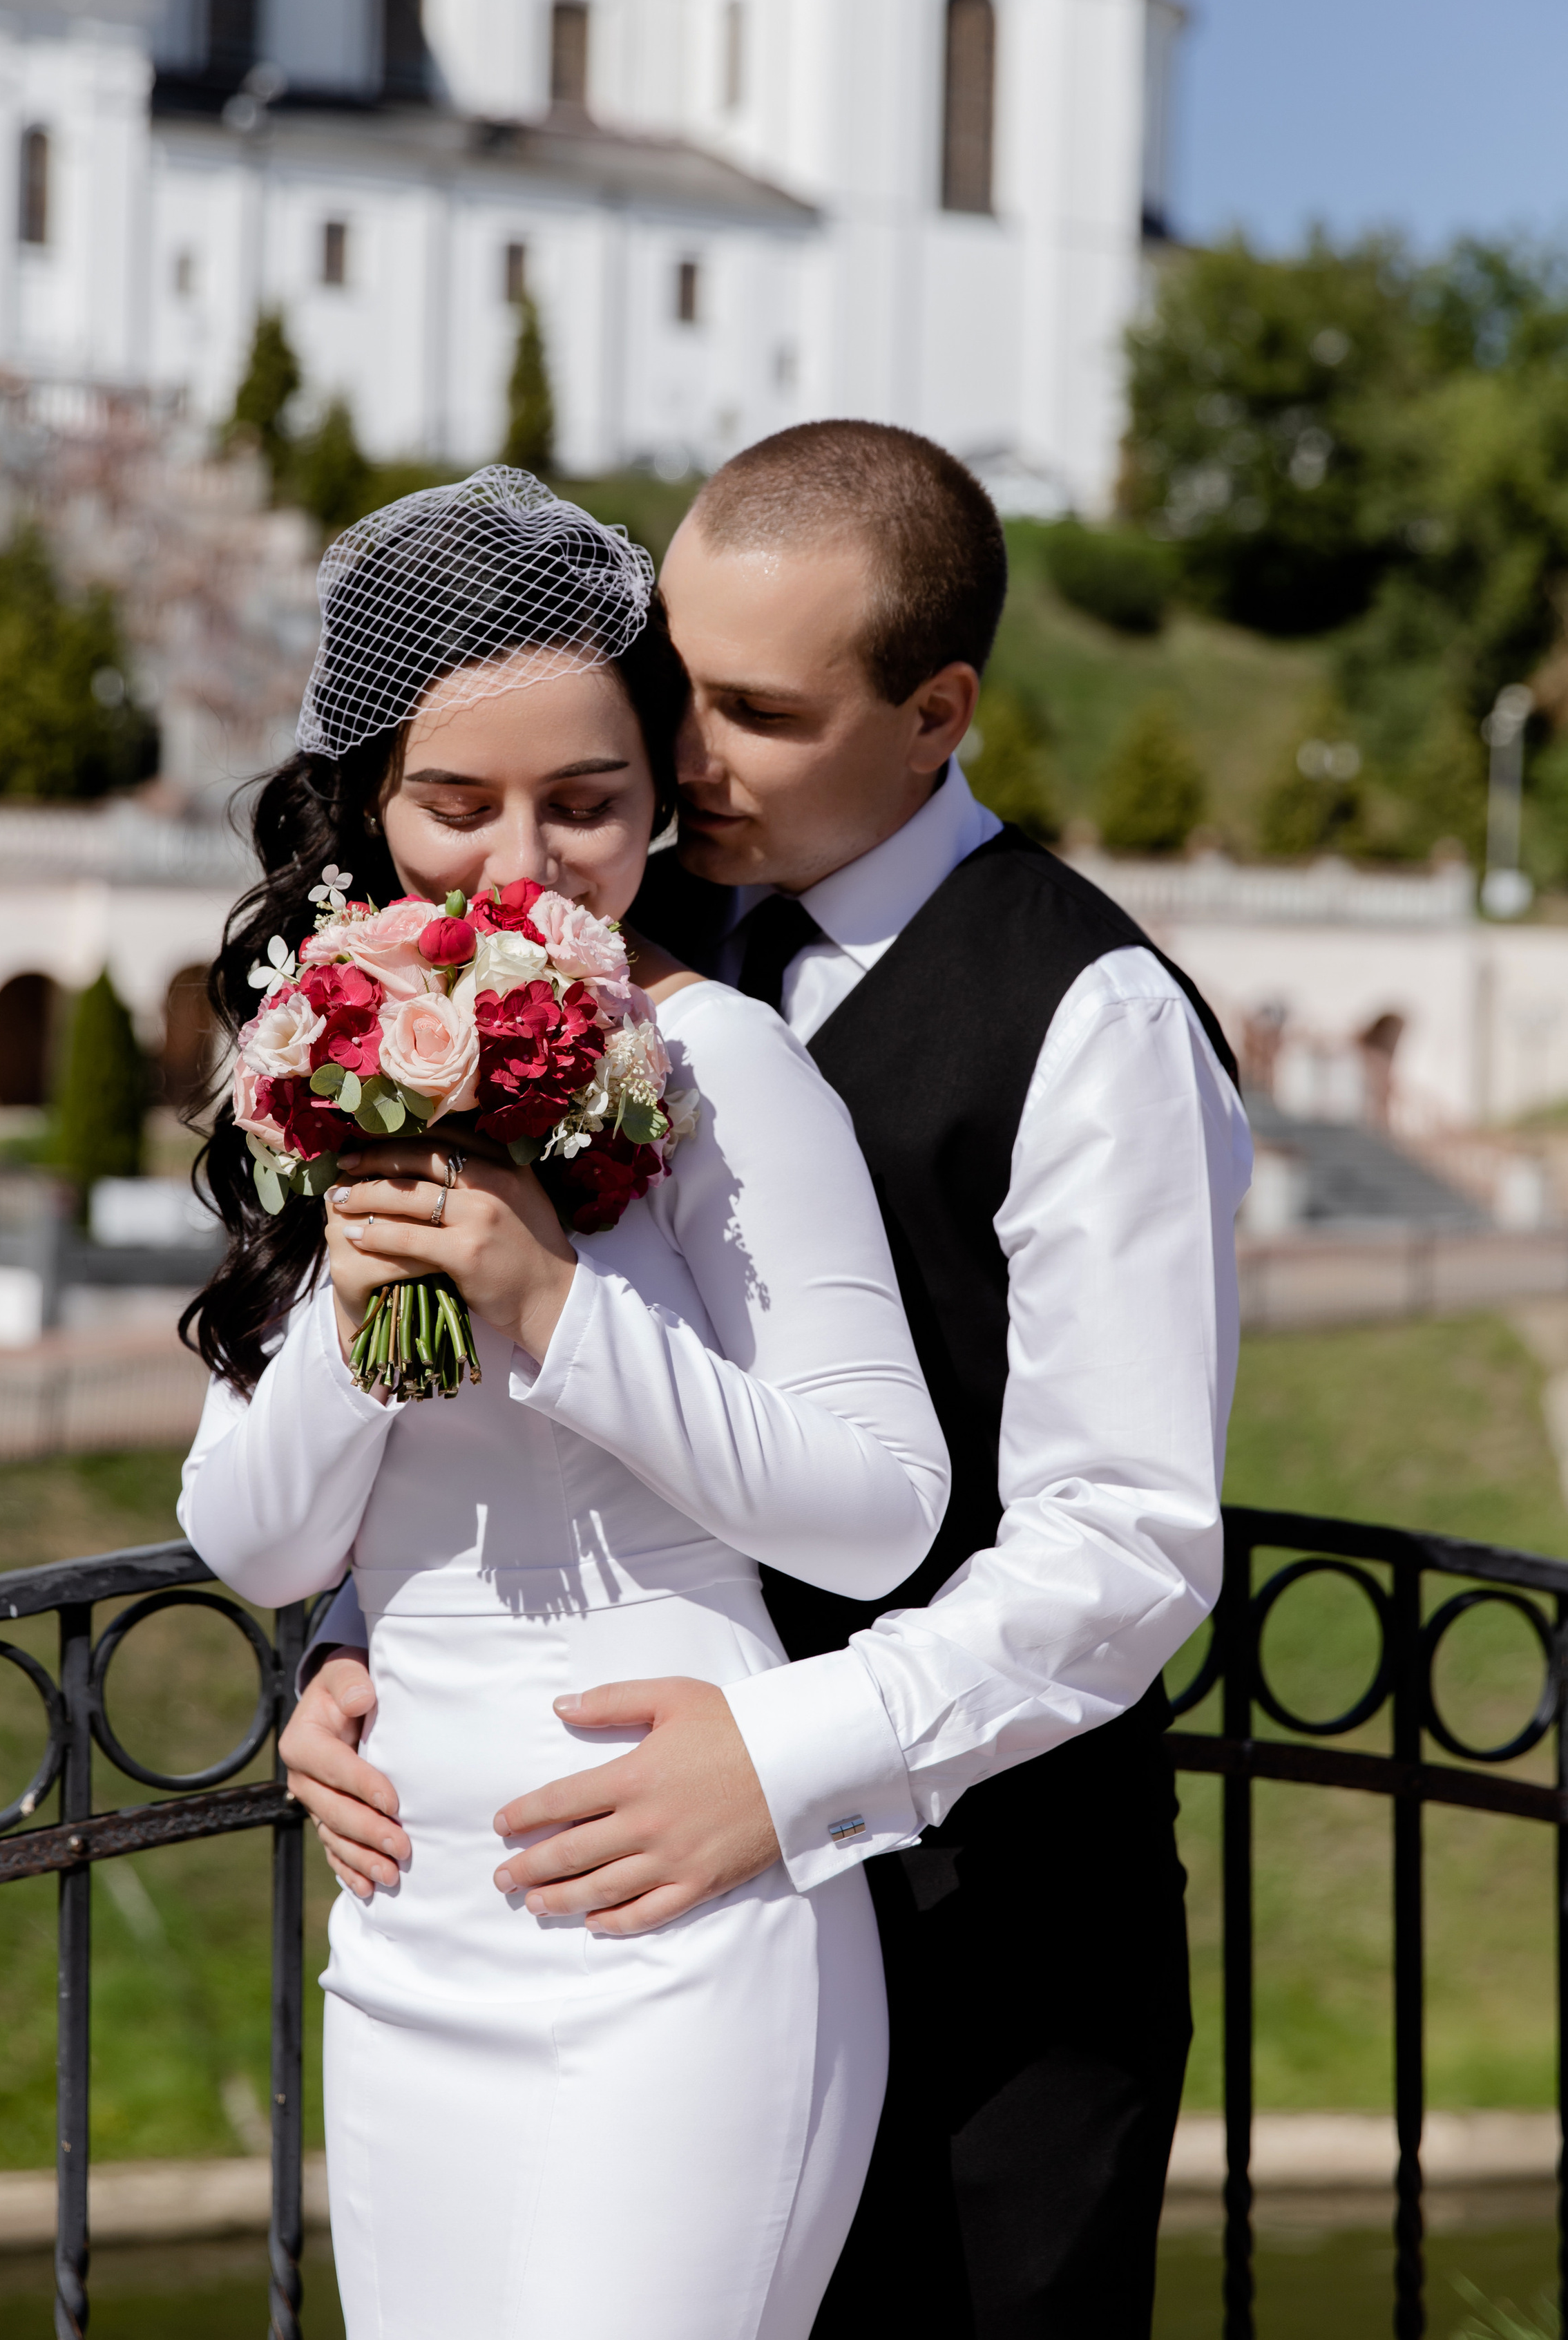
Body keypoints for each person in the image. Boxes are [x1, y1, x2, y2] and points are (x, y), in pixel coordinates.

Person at [284, 423, 1254, 2338]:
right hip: (610, 1957)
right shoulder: (610, 948)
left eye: (756, 710)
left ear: (936, 709)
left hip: (991, 1949)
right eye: (677, 686)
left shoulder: (1096, 1021)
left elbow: (1128, 1546)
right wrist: (342, 1633)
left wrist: (785, 1757)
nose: (686, 755)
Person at [176, 466, 951, 2340]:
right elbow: (255, 1538)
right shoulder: (312, 1060)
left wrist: (548, 1300)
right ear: (367, 802)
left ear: (655, 798)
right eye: (457, 804)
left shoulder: (723, 1062)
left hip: (675, 1938)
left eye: (588, 802)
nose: (522, 862)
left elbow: (882, 1501)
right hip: (408, 1931)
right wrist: (370, 1308)